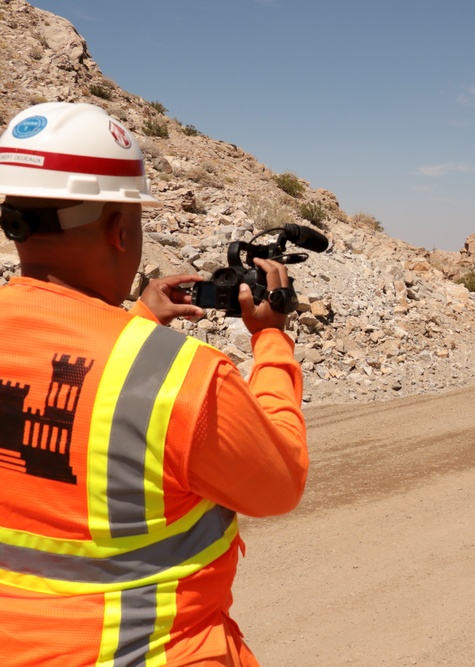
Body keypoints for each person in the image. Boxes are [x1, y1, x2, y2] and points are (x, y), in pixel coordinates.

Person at [0, 102, 308, 666]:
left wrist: (134, 325)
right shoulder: (181, 377)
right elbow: (279, 483)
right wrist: (271, 341)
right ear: (120, 229)